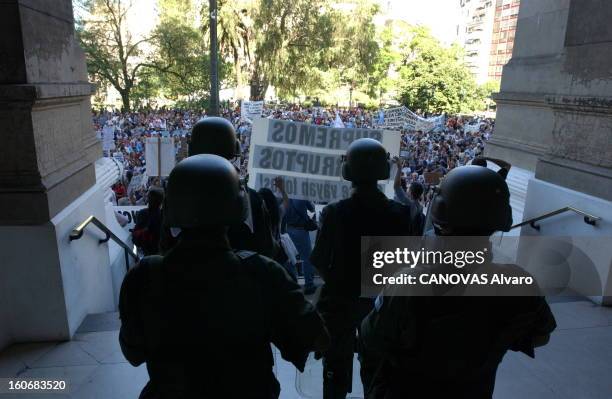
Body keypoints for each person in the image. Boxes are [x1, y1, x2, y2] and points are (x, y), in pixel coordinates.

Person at [119, 154, 329, 398]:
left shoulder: (144, 276)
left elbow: (132, 352)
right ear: (238, 206)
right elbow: (317, 338)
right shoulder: (264, 273)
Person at [359, 166, 556, 399]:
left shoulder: (409, 282)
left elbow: (371, 340)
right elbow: (541, 335)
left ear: (442, 218)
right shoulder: (518, 282)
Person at [310, 138, 415, 399]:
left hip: (341, 303)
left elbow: (320, 260)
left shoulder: (335, 213)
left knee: (335, 370)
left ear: (348, 171)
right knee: (379, 372)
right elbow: (406, 265)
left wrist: (341, 283)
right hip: (382, 304)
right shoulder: (400, 214)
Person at [161, 117, 278, 258]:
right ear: (235, 147)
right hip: (239, 276)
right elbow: (267, 248)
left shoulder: (177, 190)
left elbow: (164, 245)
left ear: (191, 148)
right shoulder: (251, 198)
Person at [283, 197, 318, 294]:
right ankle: (309, 285)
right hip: (301, 230)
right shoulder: (302, 196)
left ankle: (291, 285)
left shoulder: (285, 196)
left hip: (288, 230)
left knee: (290, 258)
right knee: (307, 258)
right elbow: (312, 208)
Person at [393, 157, 425, 235]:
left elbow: (396, 186)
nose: (407, 189)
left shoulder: (410, 204)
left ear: (410, 192)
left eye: (408, 188)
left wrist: (400, 168)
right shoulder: (420, 207)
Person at [132, 187, 164, 256]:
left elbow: (136, 235)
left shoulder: (142, 213)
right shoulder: (163, 215)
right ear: (162, 201)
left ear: (148, 199)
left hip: (146, 250)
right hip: (160, 251)